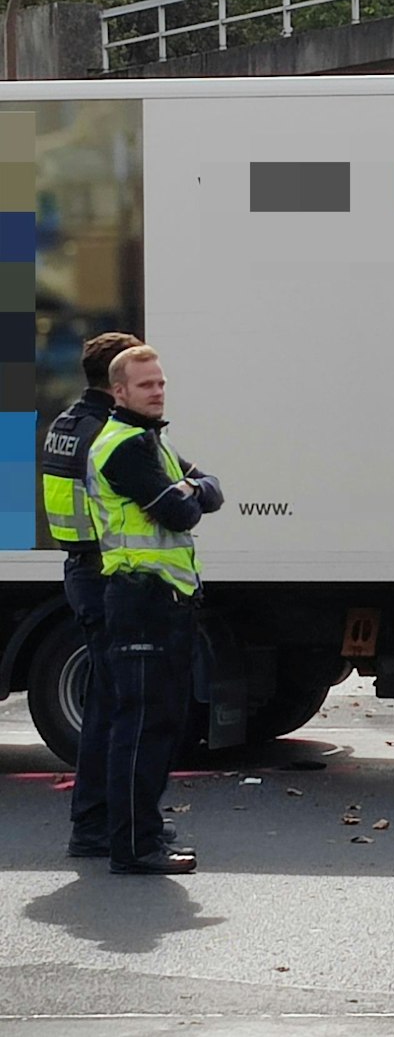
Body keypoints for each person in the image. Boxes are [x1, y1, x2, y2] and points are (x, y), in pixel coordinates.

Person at [86, 345, 223, 875]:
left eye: (161, 382)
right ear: (118, 392)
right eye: (146, 385)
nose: (158, 391)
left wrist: (190, 487)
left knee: (162, 723)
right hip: (140, 599)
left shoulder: (150, 442)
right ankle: (134, 846)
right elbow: (183, 511)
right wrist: (190, 490)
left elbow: (213, 489)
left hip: (161, 600)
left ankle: (142, 833)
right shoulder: (123, 448)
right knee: (142, 725)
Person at [42, 332, 145, 859]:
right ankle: (96, 826)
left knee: (107, 705)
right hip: (105, 573)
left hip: (81, 567)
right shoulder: (105, 431)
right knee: (115, 709)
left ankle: (97, 824)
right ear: (115, 381)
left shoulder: (66, 422)